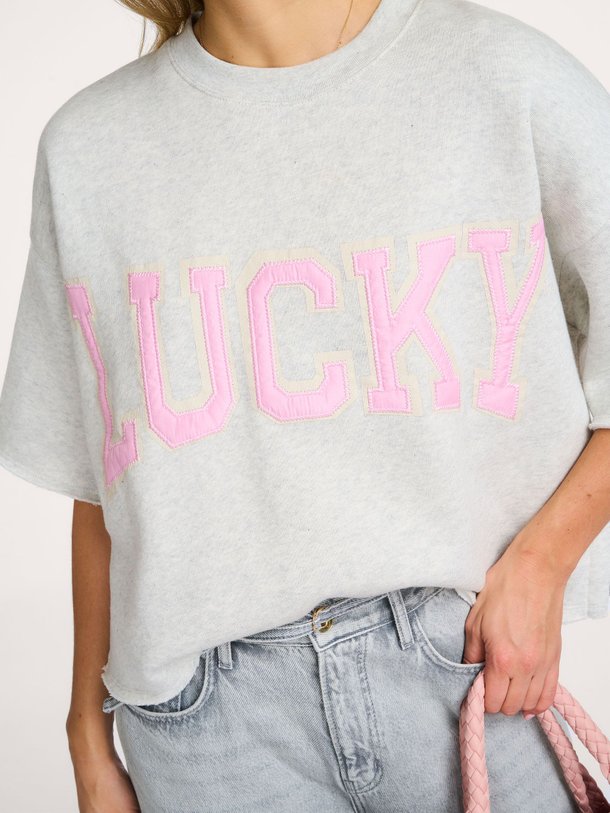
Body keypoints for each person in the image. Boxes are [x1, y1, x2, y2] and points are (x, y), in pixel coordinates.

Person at [1, 0, 609, 809]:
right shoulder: (88, 148)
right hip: (211, 739)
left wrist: (543, 562)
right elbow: (107, 482)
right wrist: (86, 731)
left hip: (467, 670)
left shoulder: (503, 75)